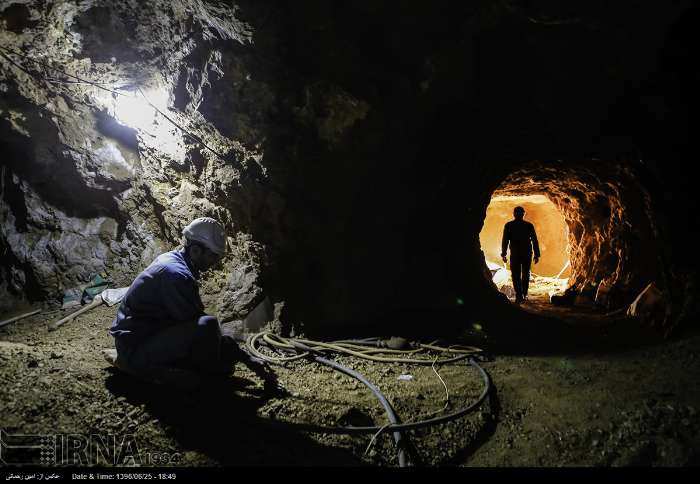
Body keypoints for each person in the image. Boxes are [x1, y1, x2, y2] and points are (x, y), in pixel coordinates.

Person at [109, 217, 281, 393]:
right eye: (213, 256)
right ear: (196, 251)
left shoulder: (174, 261)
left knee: (220, 356)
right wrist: (245, 358)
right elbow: (201, 327)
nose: (216, 262)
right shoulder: (176, 274)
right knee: (212, 345)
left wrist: (243, 357)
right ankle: (145, 369)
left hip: (144, 335)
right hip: (134, 347)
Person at [501, 206, 540, 304]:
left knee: (515, 274)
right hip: (526, 252)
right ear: (524, 214)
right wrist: (536, 254)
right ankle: (524, 294)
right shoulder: (528, 225)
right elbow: (534, 240)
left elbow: (505, 240)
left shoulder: (509, 225)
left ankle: (519, 295)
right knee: (526, 273)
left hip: (515, 253)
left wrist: (504, 253)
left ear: (513, 214)